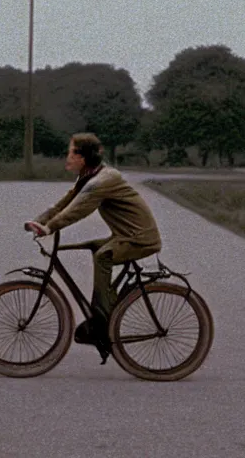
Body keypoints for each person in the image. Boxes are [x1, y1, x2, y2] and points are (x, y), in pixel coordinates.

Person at [24, 133, 162, 344]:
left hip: (140, 239)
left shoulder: (103, 180)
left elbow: (78, 210)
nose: (67, 157)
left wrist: (49, 228)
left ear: (84, 157)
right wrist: (38, 221)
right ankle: (109, 304)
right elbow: (63, 204)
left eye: (72, 152)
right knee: (90, 246)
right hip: (125, 236)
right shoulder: (89, 176)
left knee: (102, 256)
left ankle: (102, 320)